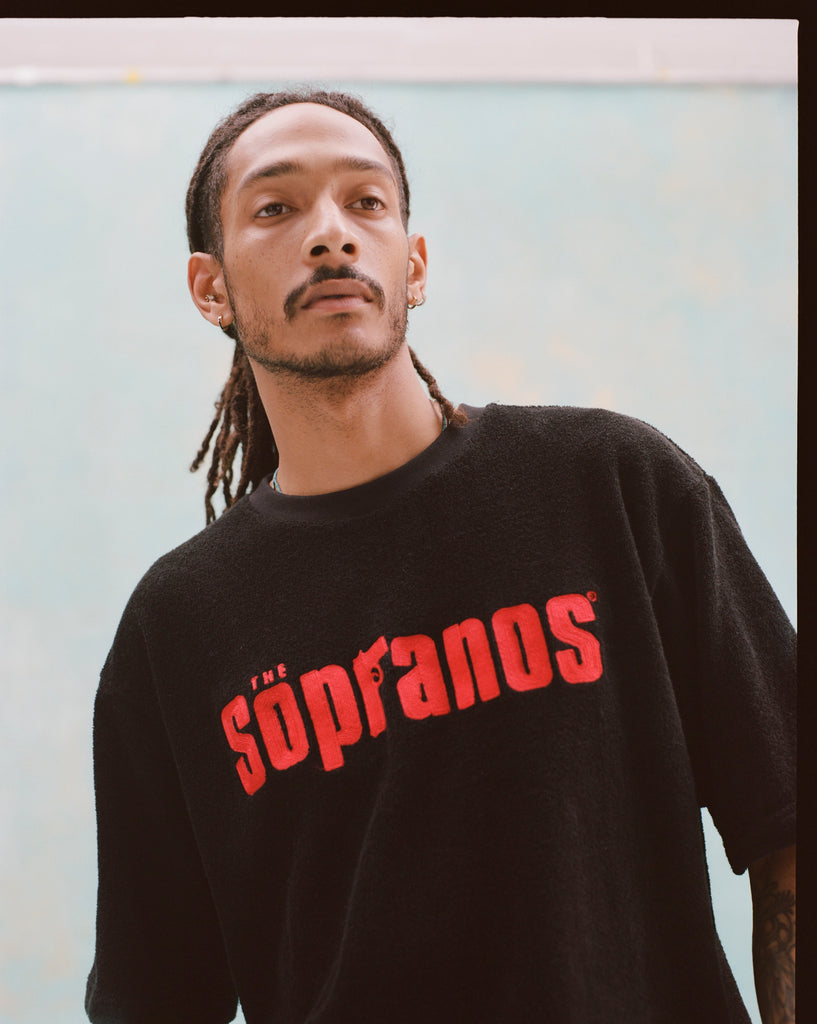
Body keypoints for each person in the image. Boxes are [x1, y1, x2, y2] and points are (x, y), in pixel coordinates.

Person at [86, 89, 796, 1024]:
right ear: (210, 288)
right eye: (276, 208)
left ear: (413, 266)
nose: (330, 234)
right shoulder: (176, 627)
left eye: (366, 202)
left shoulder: (615, 486)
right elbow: (156, 998)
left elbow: (787, 826)